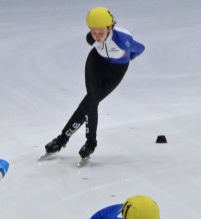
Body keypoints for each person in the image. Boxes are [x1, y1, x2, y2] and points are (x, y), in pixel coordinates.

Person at [45, 7, 145, 160]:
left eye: (101, 32)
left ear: (110, 27)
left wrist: (128, 59)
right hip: (96, 61)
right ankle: (73, 141)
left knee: (89, 103)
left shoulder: (123, 41)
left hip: (116, 71)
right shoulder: (90, 37)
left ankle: (70, 141)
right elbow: (95, 40)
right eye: (93, 32)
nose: (97, 37)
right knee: (91, 100)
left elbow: (141, 48)